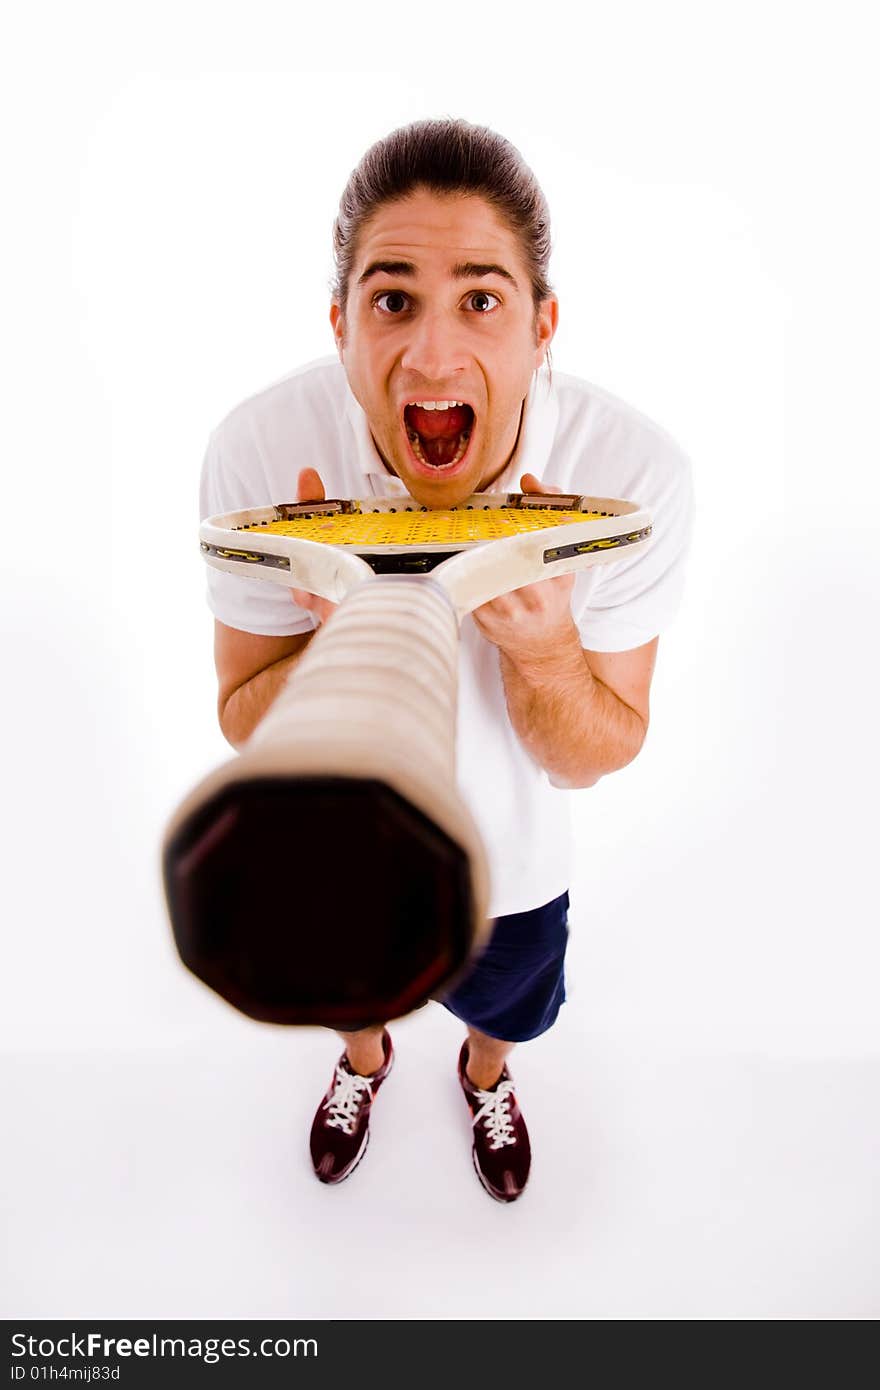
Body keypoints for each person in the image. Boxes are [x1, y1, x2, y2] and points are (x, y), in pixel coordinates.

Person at [199, 117, 694, 1203]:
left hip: (514, 867)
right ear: (339, 324)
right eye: (391, 300)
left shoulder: (632, 473)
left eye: (480, 297)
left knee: (505, 1008)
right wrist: (330, 646)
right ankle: (364, 1062)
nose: (430, 354)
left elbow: (596, 751)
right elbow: (242, 713)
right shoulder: (253, 457)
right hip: (333, 841)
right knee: (352, 988)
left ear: (540, 326)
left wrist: (549, 650)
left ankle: (484, 1076)